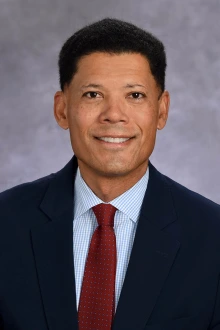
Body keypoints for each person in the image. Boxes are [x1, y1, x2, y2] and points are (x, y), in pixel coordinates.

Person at [0, 17, 220, 330]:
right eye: (93, 94)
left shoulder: (212, 238)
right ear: (62, 109)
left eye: (135, 95)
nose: (114, 115)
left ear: (161, 110)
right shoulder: (5, 224)